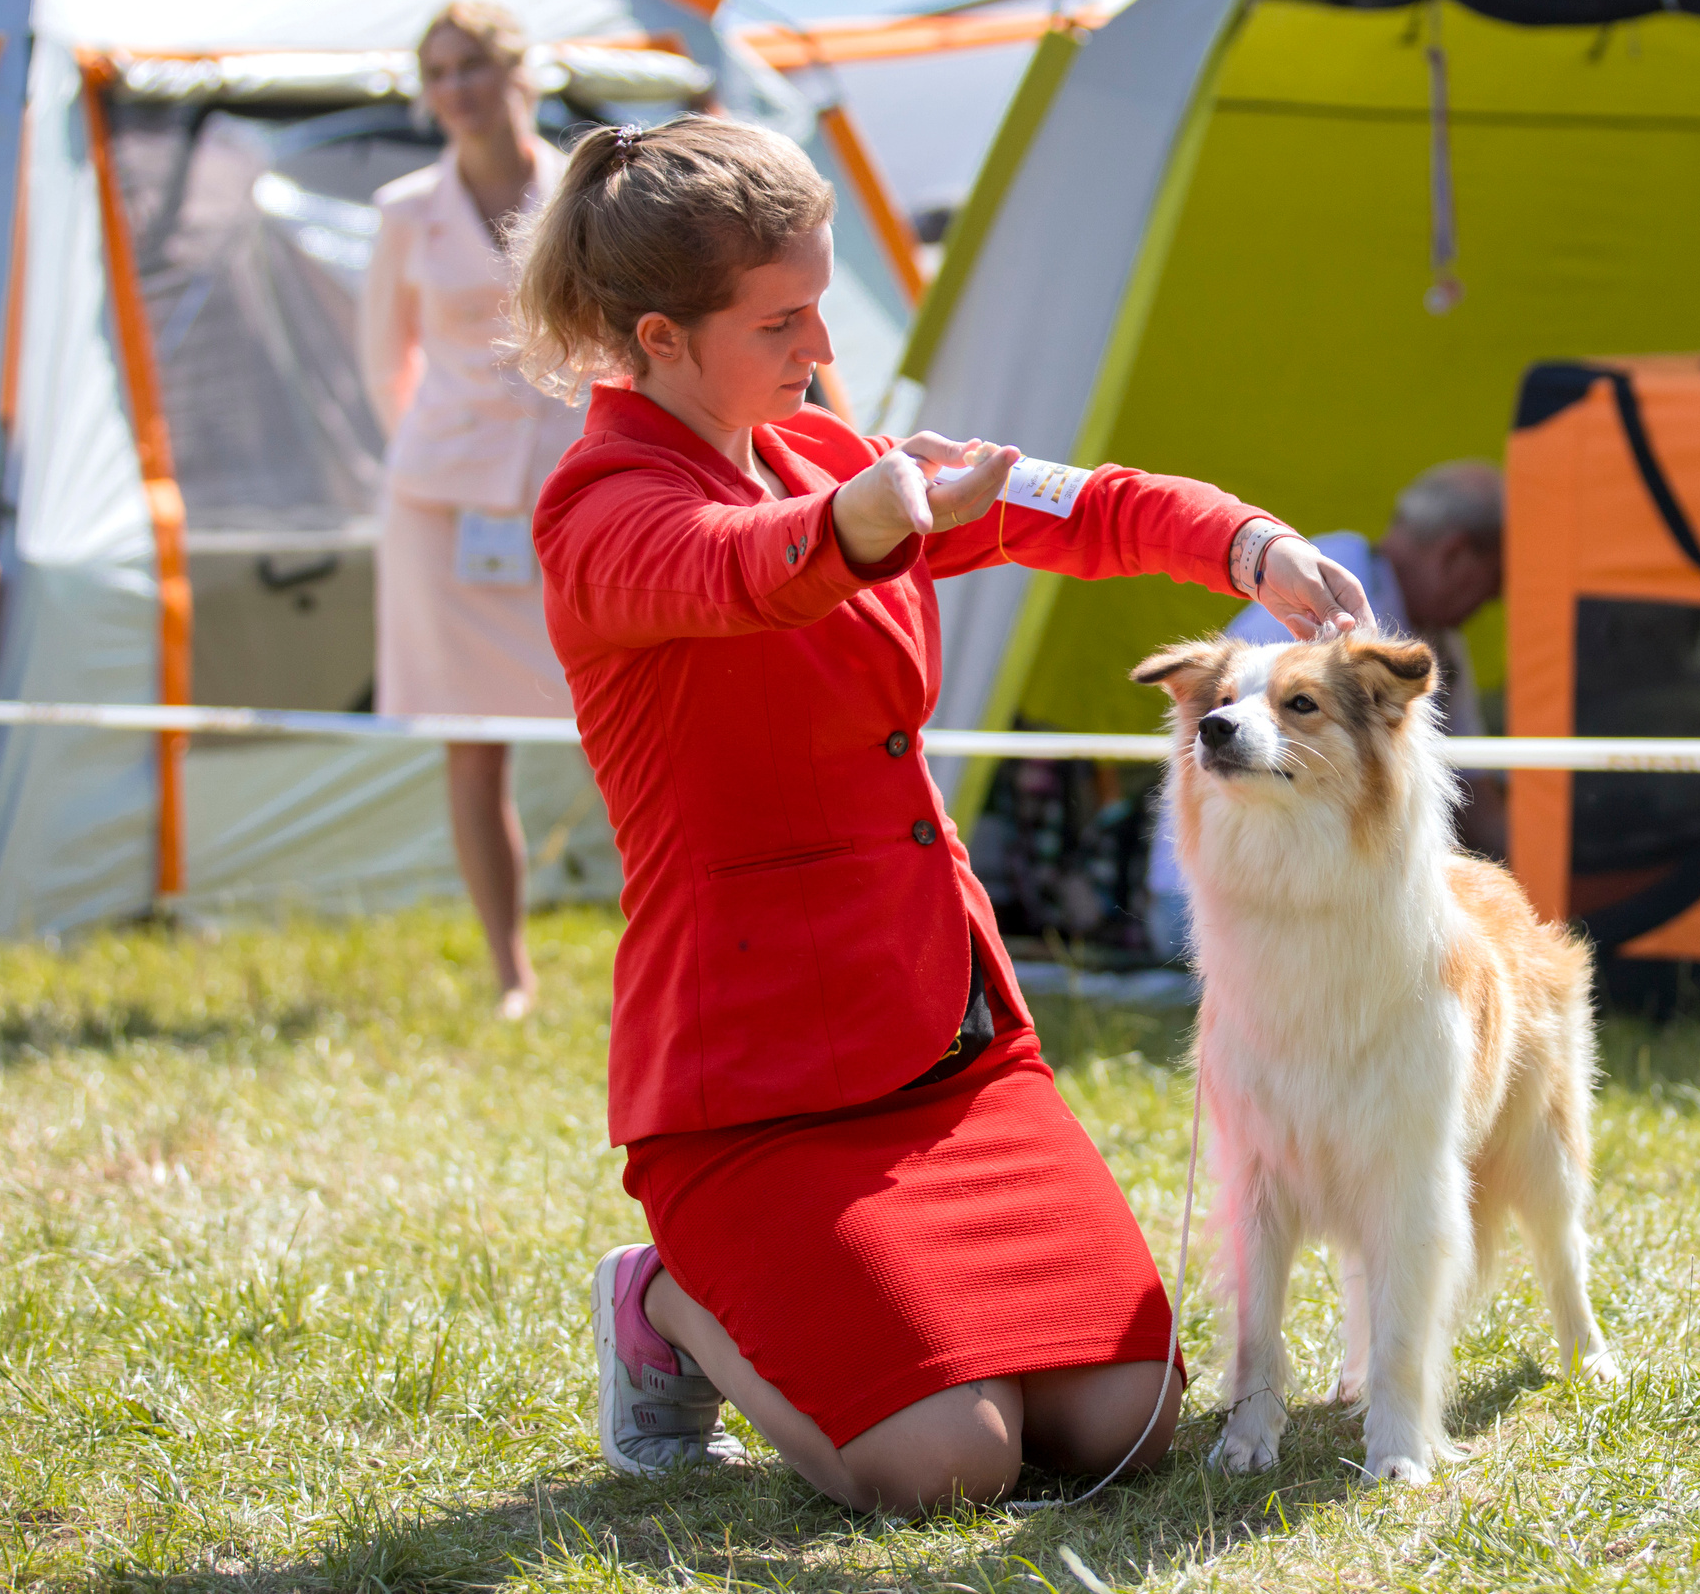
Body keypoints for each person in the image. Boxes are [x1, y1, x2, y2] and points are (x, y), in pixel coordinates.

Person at [512, 115, 1374, 1515]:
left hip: (945, 1038)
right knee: (946, 1468)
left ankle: (865, 1322)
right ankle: (665, 1301)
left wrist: (1246, 543)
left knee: (1132, 1419)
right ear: (660, 337)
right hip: (758, 1084)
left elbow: (1073, 504)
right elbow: (737, 572)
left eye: (821, 301)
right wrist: (869, 519)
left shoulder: (823, 455)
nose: (817, 345)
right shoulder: (602, 512)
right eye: (780, 319)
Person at [361, 1, 583, 1020]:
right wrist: (449, 449)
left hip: (569, 496)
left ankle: (677, 945)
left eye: (471, 66)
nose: (454, 87)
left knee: (634, 716)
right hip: (442, 508)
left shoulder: (581, 189)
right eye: (437, 69)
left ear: (516, 70)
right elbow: (384, 366)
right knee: (471, 740)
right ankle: (511, 976)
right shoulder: (405, 210)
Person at [1144, 461, 1507, 959]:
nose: (1485, 607)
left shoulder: (1439, 641)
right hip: (1221, 899)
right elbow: (1232, 730)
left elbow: (1476, 787)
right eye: (1491, 587)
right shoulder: (1327, 587)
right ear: (1455, 556)